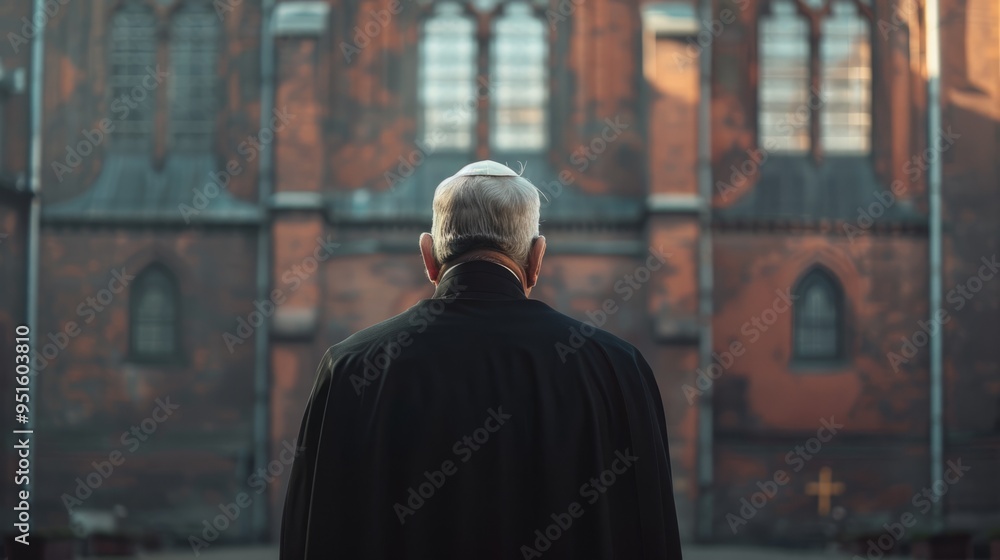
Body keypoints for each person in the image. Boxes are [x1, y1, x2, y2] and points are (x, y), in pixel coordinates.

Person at [279, 161, 683, 559]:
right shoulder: (616, 368)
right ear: (536, 259)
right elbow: (648, 533)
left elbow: (316, 536)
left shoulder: (350, 369)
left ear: (429, 256)